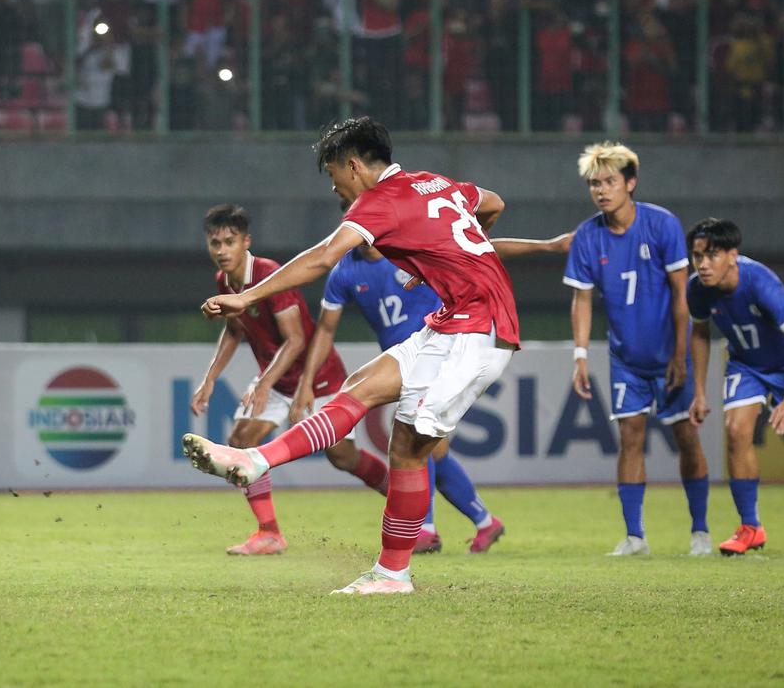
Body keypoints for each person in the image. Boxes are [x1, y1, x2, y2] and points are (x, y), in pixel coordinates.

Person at [183, 116, 518, 594]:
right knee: (358, 386)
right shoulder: (431, 181)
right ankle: (257, 459)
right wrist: (447, 257)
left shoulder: (382, 200)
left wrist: (247, 297)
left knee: (408, 449)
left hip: (480, 330)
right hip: (450, 320)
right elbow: (494, 203)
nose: (335, 186)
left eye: (333, 174)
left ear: (354, 165)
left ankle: (393, 574)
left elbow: (322, 257)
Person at [292, 230, 570, 554]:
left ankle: (424, 528)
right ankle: (485, 522)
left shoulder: (410, 247)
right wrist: (307, 382)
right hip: (402, 361)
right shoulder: (344, 272)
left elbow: (483, 248)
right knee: (434, 451)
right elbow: (325, 329)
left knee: (414, 432)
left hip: (441, 350)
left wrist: (546, 245)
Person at [191, 204, 394, 556]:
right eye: (215, 243)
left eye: (229, 242)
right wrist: (210, 378)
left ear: (246, 242)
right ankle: (269, 533)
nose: (222, 251)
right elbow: (234, 329)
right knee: (240, 441)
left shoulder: (269, 274)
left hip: (319, 379)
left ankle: (407, 501)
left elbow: (296, 338)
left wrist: (263, 384)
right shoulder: (225, 281)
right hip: (278, 379)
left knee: (343, 458)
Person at [562, 141, 711, 557]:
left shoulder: (662, 225)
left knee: (686, 438)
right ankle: (635, 536)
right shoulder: (588, 237)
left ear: (631, 182)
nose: (601, 190)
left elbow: (682, 293)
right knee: (630, 438)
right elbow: (582, 299)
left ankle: (700, 531)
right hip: (625, 359)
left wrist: (680, 353)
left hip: (668, 357)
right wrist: (580, 356)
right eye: (595, 183)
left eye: (610, 181)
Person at [686, 218, 784, 558]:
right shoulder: (697, 288)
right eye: (697, 256)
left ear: (732, 255)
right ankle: (751, 527)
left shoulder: (760, 283)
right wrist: (698, 390)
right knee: (736, 431)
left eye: (712, 255)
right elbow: (699, 332)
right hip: (747, 363)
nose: (704, 264)